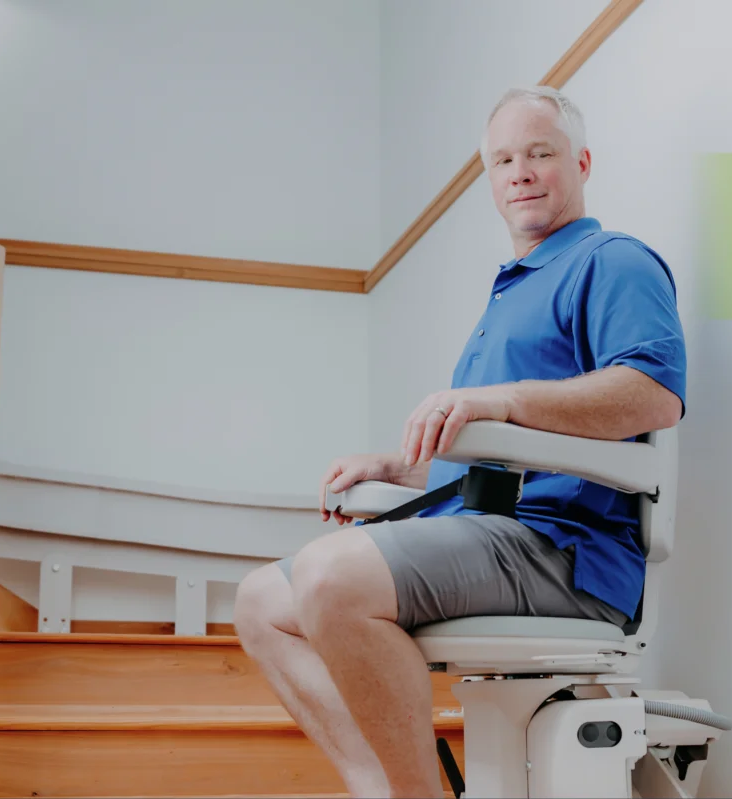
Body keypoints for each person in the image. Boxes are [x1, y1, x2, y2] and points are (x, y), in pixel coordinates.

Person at [232, 85, 686, 798]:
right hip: (487, 530)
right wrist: (395, 465)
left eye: (541, 153)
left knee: (328, 577)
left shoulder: (611, 260)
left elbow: (652, 393)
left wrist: (498, 397)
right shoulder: (511, 291)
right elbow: (493, 459)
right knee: (260, 601)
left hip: (562, 548)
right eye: (503, 160)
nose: (521, 172)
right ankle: (387, 788)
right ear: (490, 181)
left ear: (583, 162)